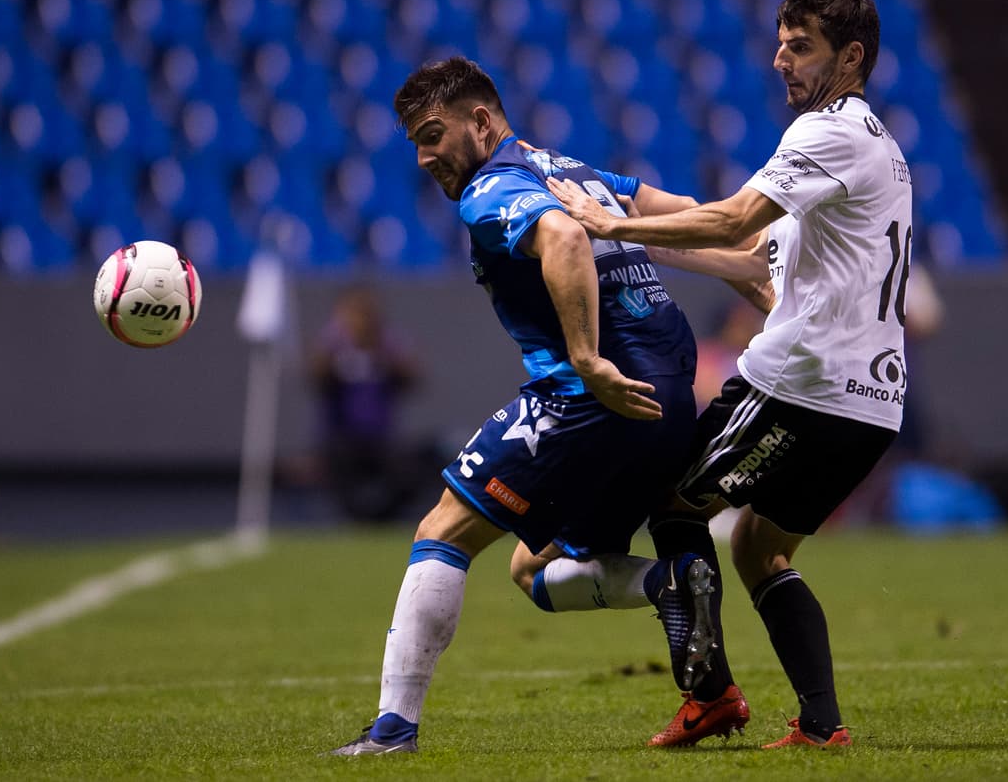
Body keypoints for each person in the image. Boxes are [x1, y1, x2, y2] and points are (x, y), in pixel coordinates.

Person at [330, 56, 742, 756]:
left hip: (596, 395)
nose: (425, 156)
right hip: (670, 397)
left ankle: (393, 730)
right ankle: (669, 581)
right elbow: (678, 221)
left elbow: (562, 237)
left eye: (434, 134)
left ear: (482, 121)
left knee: (444, 529)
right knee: (532, 568)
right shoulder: (574, 170)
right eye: (415, 143)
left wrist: (585, 358)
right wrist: (750, 268)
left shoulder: (490, 188)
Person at [549, 0, 909, 749]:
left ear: (851, 57)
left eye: (801, 46)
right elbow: (753, 254)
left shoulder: (827, 133)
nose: (781, 59)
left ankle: (708, 694)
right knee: (756, 546)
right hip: (871, 405)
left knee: (677, 509)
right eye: (780, 43)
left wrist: (608, 224)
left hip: (799, 386)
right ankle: (821, 724)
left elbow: (740, 213)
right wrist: (638, 240)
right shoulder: (879, 145)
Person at [308, 286, 423, 522]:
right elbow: (315, 378)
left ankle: (380, 519)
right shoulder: (333, 344)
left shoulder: (386, 343)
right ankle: (353, 520)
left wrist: (382, 352)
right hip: (342, 437)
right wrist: (336, 347)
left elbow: (412, 379)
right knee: (340, 479)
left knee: (407, 475)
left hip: (380, 437)